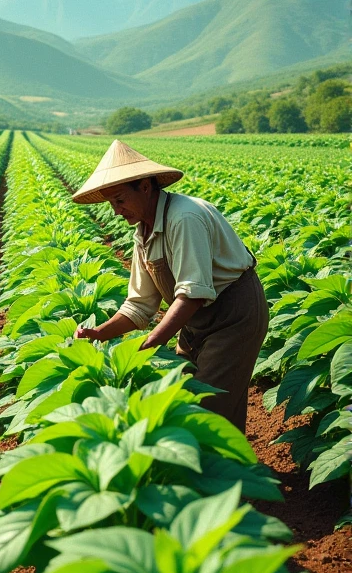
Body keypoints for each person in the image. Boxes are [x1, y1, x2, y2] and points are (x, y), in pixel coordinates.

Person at [72, 140, 268, 433]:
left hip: (234, 315)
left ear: (146, 187)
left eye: (120, 199)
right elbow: (139, 305)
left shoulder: (184, 217)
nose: (115, 210)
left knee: (202, 408)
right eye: (111, 203)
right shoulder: (143, 231)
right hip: (195, 320)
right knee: (193, 394)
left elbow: (192, 293)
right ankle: (233, 467)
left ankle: (217, 471)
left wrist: (152, 341)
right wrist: (100, 332)